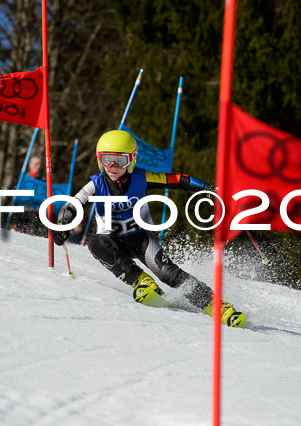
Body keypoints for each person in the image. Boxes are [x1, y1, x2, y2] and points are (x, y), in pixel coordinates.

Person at [52, 130, 246, 327]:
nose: (112, 166)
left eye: (119, 160)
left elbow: (178, 180)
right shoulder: (95, 185)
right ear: (99, 158)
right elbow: (72, 205)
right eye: (107, 159)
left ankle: (218, 306)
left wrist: (209, 189)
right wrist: (62, 224)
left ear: (132, 159)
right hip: (112, 242)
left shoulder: (142, 178)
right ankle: (141, 281)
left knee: (168, 274)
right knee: (95, 242)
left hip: (141, 240)